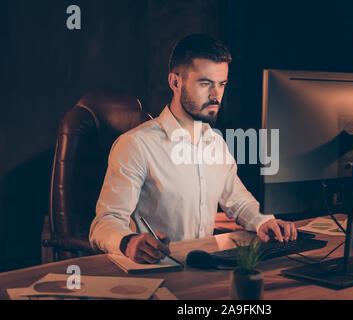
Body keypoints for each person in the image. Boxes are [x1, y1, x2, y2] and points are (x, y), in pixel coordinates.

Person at [89, 34, 297, 264]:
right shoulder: (136, 145)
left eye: (221, 84)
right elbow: (105, 223)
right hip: (155, 272)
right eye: (205, 83)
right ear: (175, 82)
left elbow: (238, 200)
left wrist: (263, 221)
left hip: (203, 267)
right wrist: (128, 242)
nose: (216, 95)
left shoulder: (216, 144)